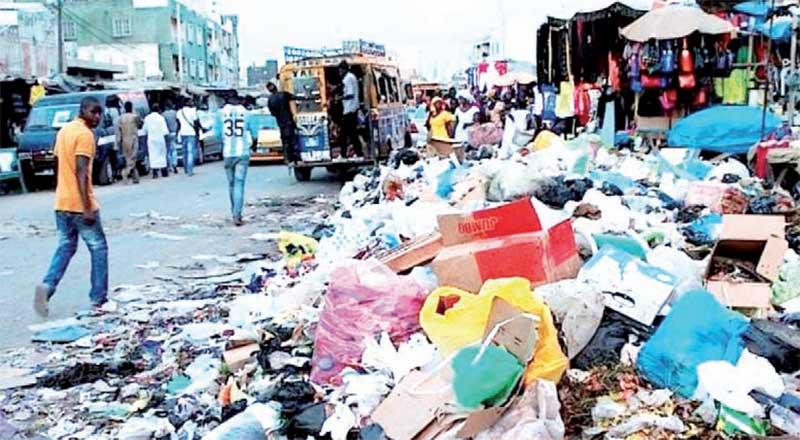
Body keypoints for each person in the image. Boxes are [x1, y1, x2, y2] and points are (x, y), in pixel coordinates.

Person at [35, 97, 109, 316]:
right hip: (80, 204)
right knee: (98, 248)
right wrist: (87, 207)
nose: (97, 117)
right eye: (93, 112)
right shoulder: (85, 135)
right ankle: (98, 299)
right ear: (83, 111)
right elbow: (80, 171)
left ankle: (46, 288)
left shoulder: (64, 131)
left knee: (66, 247)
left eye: (99, 113)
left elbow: (60, 162)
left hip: (62, 202)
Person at [215, 96, 253, 226]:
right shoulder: (247, 113)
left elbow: (217, 134)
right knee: (239, 184)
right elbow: (254, 133)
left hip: (227, 154)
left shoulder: (220, 114)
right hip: (242, 153)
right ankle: (238, 214)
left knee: (231, 184)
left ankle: (233, 212)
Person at [266, 81, 297, 163]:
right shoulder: (283, 94)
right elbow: (294, 97)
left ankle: (287, 158)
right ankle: (295, 156)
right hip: (289, 121)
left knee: (285, 140)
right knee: (293, 139)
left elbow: (272, 113)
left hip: (281, 123)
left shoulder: (270, 99)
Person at [338, 61, 363, 157]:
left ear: (343, 69)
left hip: (349, 109)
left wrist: (340, 98)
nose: (339, 73)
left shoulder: (347, 79)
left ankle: (343, 155)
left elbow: (350, 94)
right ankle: (358, 153)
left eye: (340, 70)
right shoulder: (352, 77)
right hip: (353, 108)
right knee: (353, 133)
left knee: (343, 135)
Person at [116, 102, 141, 184]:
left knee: (128, 159)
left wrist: (117, 143)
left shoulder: (120, 118)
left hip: (124, 141)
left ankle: (135, 178)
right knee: (133, 158)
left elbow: (118, 132)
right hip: (133, 139)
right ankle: (125, 172)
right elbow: (140, 124)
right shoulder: (135, 117)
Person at [143, 104, 170, 178]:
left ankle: (155, 172)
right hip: (160, 138)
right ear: (158, 109)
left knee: (153, 155)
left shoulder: (147, 118)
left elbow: (144, 130)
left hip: (151, 139)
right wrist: (167, 141)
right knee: (162, 154)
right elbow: (165, 131)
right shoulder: (161, 118)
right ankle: (164, 170)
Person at [177, 99, 200, 176]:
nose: (192, 103)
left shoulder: (179, 112)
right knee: (190, 152)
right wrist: (199, 131)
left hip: (183, 133)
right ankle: (190, 170)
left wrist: (177, 133)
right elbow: (196, 122)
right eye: (191, 101)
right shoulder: (192, 111)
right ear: (187, 103)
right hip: (191, 133)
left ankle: (186, 169)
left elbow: (178, 124)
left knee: (185, 152)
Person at [162, 102, 179, 174]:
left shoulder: (163, 114)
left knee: (168, 151)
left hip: (167, 133)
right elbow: (178, 122)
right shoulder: (175, 113)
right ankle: (175, 164)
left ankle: (170, 165)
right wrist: (177, 131)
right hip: (174, 132)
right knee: (174, 150)